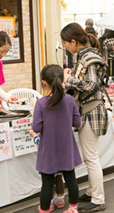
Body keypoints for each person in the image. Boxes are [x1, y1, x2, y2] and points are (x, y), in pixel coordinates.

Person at [61, 23, 108, 213]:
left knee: (91, 157)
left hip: (91, 111)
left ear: (73, 41)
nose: (65, 47)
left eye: (65, 43)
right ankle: (91, 191)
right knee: (90, 156)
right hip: (87, 111)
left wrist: (68, 80)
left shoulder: (88, 57)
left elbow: (91, 86)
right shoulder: (84, 56)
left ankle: (98, 199)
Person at [31, 64, 81, 213]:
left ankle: (45, 209)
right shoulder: (69, 100)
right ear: (61, 81)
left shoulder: (40, 103)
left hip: (48, 150)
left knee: (47, 183)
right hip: (67, 147)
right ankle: (73, 208)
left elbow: (36, 128)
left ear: (44, 82)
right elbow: (77, 123)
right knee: (71, 179)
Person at [28, 130, 66, 210]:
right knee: (59, 178)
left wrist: (34, 135)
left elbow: (41, 142)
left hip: (47, 160)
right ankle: (60, 200)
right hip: (59, 157)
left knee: (48, 183)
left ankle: (50, 203)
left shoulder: (45, 125)